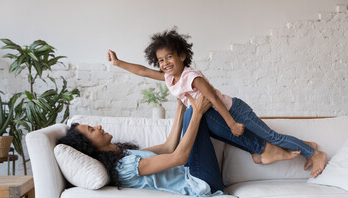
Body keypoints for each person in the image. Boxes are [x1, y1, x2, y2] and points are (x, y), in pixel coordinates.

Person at [107, 27, 326, 178]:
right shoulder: (169, 77)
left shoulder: (192, 77)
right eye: (161, 60)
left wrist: (231, 123)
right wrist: (118, 62)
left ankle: (314, 153)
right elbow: (143, 71)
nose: (164, 63)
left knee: (271, 136)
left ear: (183, 55)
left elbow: (212, 99)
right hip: (218, 117)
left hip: (235, 110)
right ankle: (303, 145)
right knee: (266, 141)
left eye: (169, 57)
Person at [57, 95, 301, 196]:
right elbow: (178, 157)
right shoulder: (125, 166)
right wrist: (195, 114)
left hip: (199, 174)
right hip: (202, 184)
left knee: (200, 115)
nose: (98, 127)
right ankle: (262, 150)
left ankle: (261, 151)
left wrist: (181, 106)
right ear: (90, 147)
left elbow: (168, 146)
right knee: (200, 115)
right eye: (92, 130)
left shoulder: (123, 153)